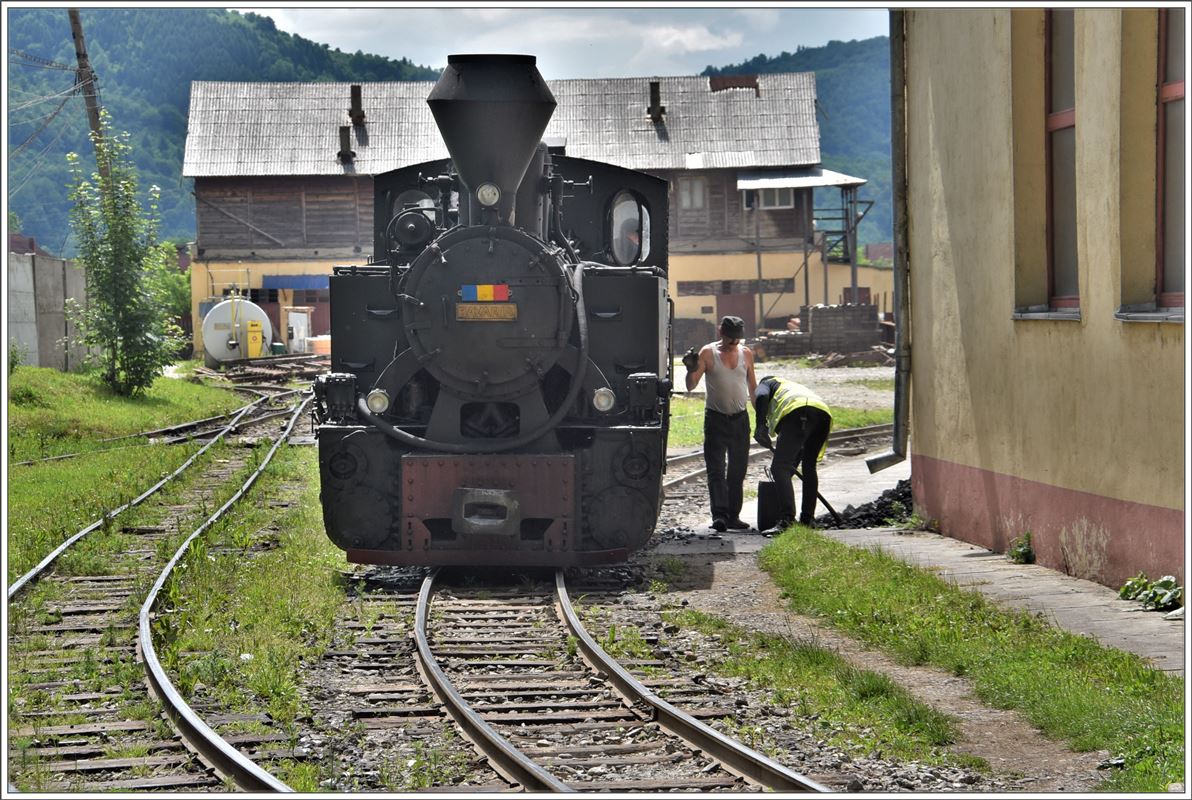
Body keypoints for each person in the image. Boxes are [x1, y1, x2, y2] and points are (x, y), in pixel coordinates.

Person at [682, 316, 758, 532]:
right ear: (720, 332)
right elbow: (690, 385)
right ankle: (720, 516)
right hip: (716, 419)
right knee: (716, 470)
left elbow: (753, 387)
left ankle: (733, 516)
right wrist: (690, 369)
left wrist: (761, 418)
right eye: (730, 338)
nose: (734, 342)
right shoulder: (708, 352)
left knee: (737, 471)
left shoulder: (746, 353)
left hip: (740, 419)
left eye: (737, 338)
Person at [752, 375, 832, 534]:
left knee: (779, 467)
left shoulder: (766, 383)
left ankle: (787, 520)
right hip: (823, 414)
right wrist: (785, 476)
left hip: (799, 412)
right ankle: (808, 520)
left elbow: (760, 396)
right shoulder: (789, 387)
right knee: (809, 467)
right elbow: (796, 451)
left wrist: (760, 425)